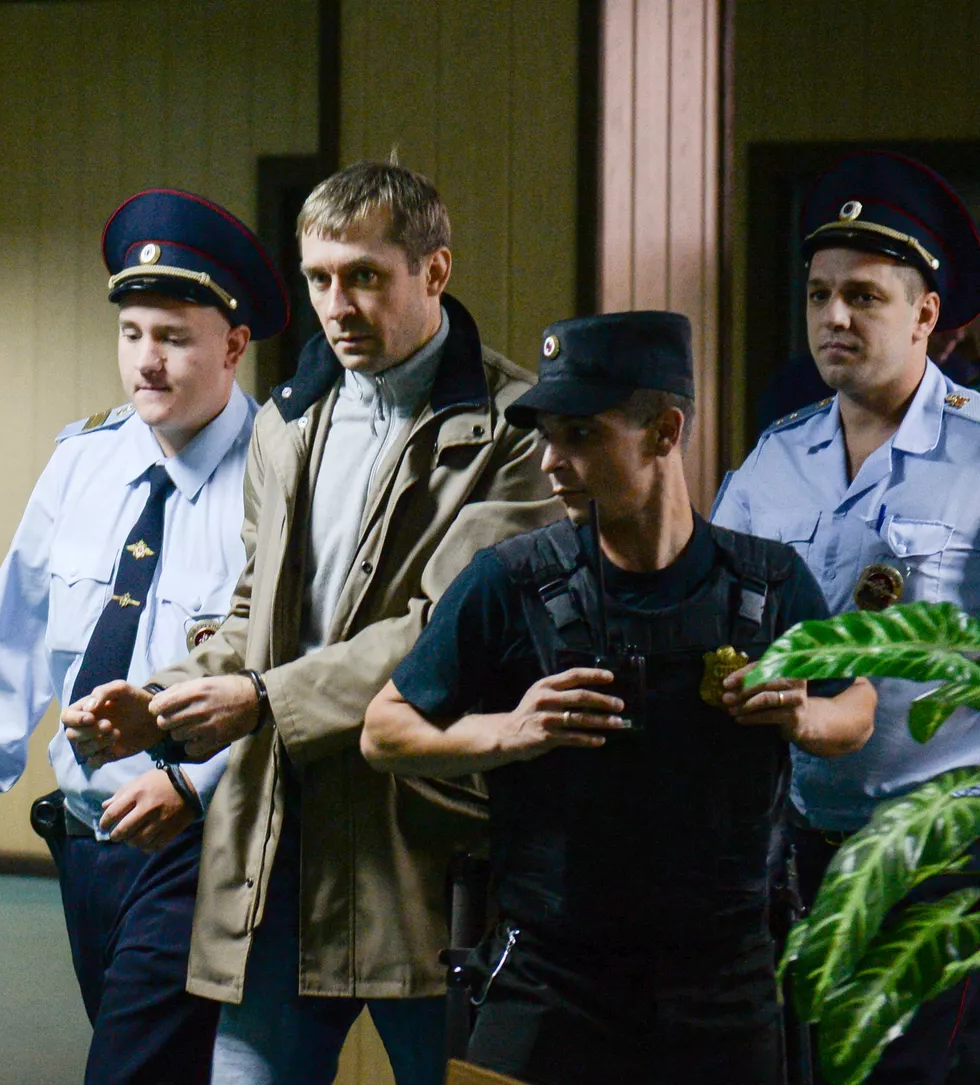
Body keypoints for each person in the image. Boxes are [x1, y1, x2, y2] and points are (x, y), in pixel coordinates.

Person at [63, 161, 557, 1085]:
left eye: (365, 276)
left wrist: (259, 700)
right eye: (320, 278)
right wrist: (159, 701)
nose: (337, 306)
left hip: (423, 845)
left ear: (435, 271)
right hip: (280, 844)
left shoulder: (516, 430)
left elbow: (447, 633)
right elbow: (252, 615)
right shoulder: (289, 422)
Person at [361, 310, 875, 1085]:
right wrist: (509, 731)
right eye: (546, 436)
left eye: (579, 435)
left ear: (665, 431)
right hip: (553, 978)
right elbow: (382, 730)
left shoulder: (767, 585)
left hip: (724, 989)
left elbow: (857, 707)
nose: (550, 461)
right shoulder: (511, 580)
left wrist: (803, 713)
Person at [0, 188, 290, 1085]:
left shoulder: (280, 473)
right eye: (131, 333)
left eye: (173, 338)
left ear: (234, 344)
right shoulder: (83, 460)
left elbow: (287, 674)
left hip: (204, 841)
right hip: (85, 838)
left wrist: (193, 780)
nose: (146, 361)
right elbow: (15, 631)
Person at [712, 149, 980, 1083]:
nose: (834, 317)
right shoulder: (776, 458)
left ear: (926, 315)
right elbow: (719, 613)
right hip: (798, 853)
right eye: (820, 294)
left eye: (864, 296)